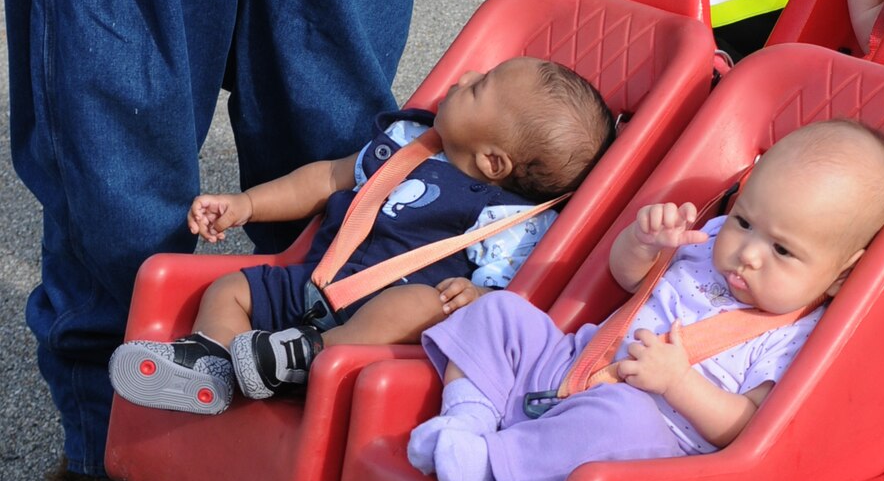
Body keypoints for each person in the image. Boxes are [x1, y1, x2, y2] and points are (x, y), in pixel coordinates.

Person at [406, 120, 884, 481]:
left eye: (782, 250)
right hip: (570, 366)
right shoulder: (706, 239)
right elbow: (626, 279)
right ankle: (467, 423)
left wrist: (677, 384)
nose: (748, 253)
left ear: (840, 275)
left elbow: (743, 427)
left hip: (649, 436)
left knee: (621, 420)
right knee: (499, 312)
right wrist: (642, 244)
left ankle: (492, 465)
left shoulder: (794, 336)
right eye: (745, 221)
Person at [109, 58, 614, 413]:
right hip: (314, 284)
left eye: (479, 87)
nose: (465, 76)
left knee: (422, 303)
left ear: (493, 161)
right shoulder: (407, 141)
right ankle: (211, 364)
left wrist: (478, 295)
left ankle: (309, 359)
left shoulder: (511, 219)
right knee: (230, 289)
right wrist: (247, 206)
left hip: (382, 323)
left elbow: (511, 297)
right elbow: (327, 177)